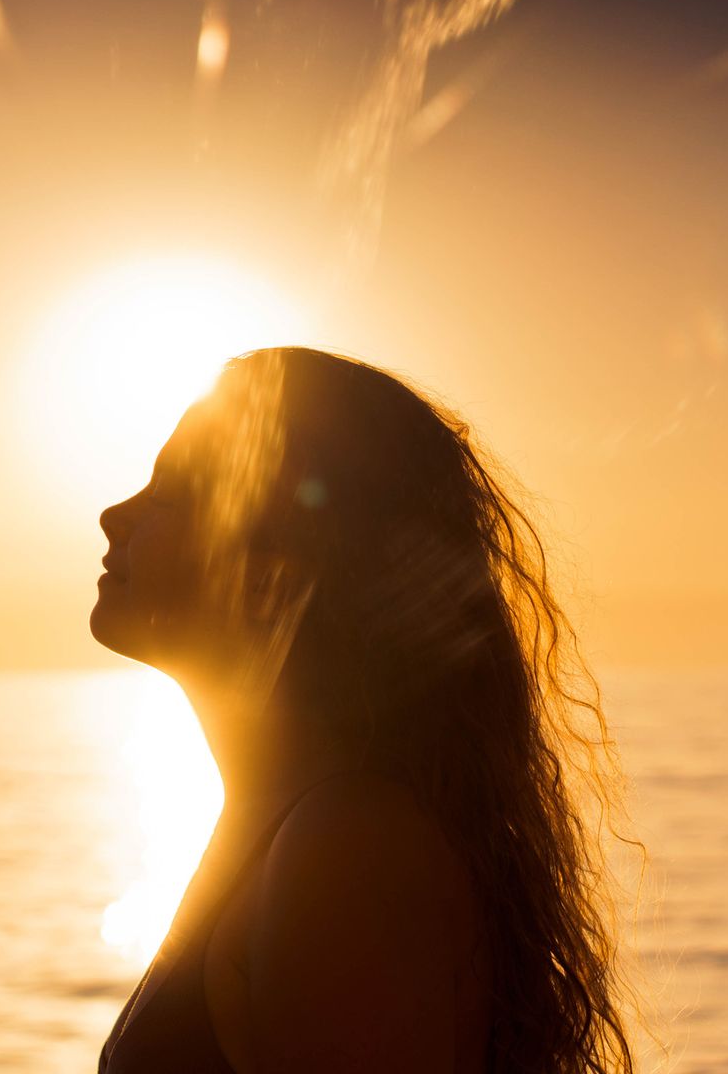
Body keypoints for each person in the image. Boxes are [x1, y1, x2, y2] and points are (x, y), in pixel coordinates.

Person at [91, 347, 639, 1073]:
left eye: (166, 495)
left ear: (271, 578)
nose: (113, 516)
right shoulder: (284, 824)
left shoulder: (349, 852)